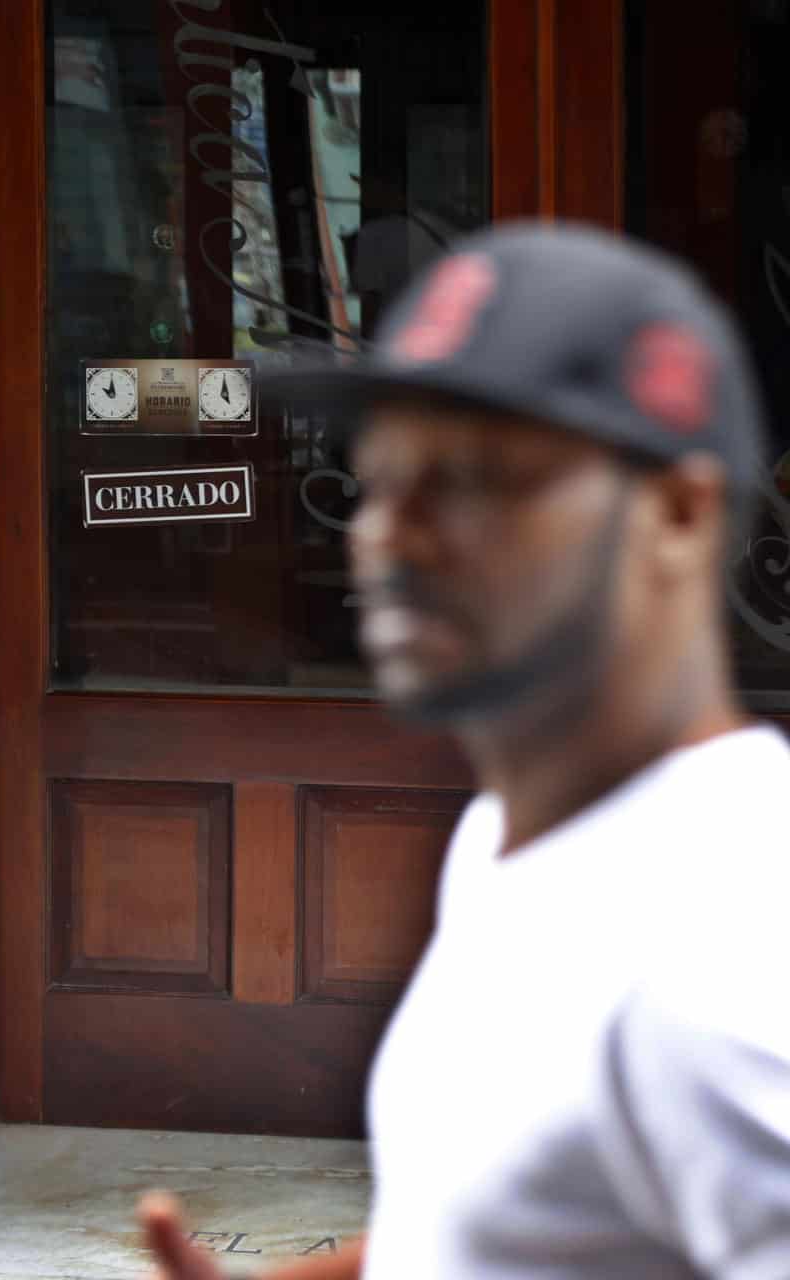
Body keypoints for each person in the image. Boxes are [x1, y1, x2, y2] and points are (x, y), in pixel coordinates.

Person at [141, 223, 790, 1278]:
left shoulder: (721, 953)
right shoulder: (520, 832)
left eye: (477, 478)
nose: (391, 530)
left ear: (677, 511)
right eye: (381, 477)